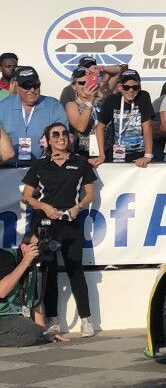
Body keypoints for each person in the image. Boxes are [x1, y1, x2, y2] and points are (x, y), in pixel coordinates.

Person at [21, 122, 97, 337]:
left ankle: (86, 320)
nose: (61, 137)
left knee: (76, 270)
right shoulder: (40, 165)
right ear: (48, 139)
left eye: (65, 134)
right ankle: (53, 321)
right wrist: (44, 207)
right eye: (56, 134)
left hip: (70, 222)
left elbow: (90, 193)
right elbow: (26, 196)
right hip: (46, 224)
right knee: (49, 272)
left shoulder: (80, 163)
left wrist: (78, 207)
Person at [0, 232, 66, 346]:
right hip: (2, 315)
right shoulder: (7, 257)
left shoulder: (32, 267)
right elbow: (2, 291)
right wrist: (25, 261)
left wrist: (45, 333)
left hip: (12, 318)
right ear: (23, 247)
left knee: (32, 333)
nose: (39, 250)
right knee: (30, 331)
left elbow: (35, 301)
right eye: (36, 246)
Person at [0, 66, 68, 167]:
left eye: (36, 85)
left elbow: (65, 138)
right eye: (26, 86)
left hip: (43, 168)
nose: (32, 90)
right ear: (17, 87)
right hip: (8, 168)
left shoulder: (53, 106)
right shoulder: (3, 106)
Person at [94, 69, 154, 166]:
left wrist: (147, 155)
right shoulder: (112, 100)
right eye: (126, 87)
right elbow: (100, 127)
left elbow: (147, 126)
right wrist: (101, 155)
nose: (131, 90)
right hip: (117, 154)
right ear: (120, 87)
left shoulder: (143, 96)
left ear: (140, 86)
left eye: (135, 87)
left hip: (139, 154)